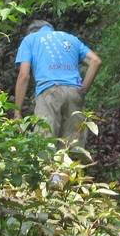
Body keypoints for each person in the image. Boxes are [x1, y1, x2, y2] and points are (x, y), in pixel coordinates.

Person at [13, 19, 102, 148]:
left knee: (45, 146)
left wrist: (17, 113)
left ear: (31, 32)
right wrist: (83, 90)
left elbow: (23, 76)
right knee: (72, 148)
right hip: (74, 92)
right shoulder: (71, 39)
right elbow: (96, 61)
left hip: (49, 92)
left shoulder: (30, 39)